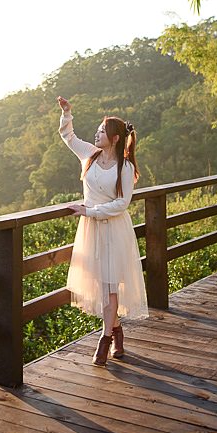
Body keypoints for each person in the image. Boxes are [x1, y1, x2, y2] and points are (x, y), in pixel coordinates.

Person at [57, 96, 148, 366]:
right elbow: (68, 136)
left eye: (101, 131)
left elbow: (122, 204)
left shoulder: (126, 167)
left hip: (112, 228)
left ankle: (105, 339)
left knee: (110, 287)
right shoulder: (90, 155)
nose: (96, 134)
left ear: (115, 138)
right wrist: (67, 113)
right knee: (101, 284)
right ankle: (118, 332)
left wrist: (89, 211)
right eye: (97, 130)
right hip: (91, 230)